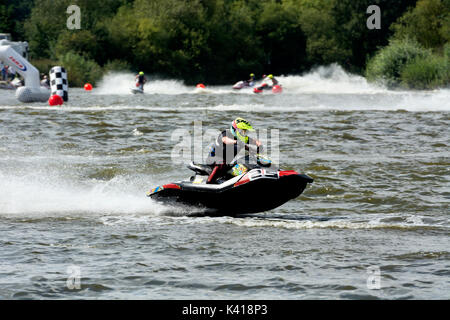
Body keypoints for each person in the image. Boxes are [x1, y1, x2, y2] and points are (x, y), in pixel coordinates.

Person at [206, 117, 263, 184]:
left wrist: (259, 146)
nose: (243, 133)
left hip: (226, 164)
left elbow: (254, 143)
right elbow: (225, 140)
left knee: (244, 162)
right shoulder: (226, 133)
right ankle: (209, 181)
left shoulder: (241, 138)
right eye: (242, 131)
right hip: (212, 160)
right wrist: (236, 142)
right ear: (235, 129)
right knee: (221, 162)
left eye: (245, 131)